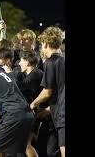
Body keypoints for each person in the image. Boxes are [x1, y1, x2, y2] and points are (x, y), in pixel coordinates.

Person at [30, 26, 65, 157]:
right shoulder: (63, 60)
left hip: (62, 117)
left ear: (45, 43)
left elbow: (47, 92)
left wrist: (32, 105)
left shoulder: (51, 62)